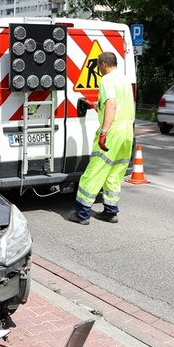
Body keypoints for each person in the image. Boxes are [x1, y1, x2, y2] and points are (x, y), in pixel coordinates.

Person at [69, 52, 135, 225]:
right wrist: (95, 106)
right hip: (127, 130)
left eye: (98, 65)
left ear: (103, 64)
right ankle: (110, 212)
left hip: (112, 131)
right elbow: (118, 106)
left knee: (94, 171)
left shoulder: (107, 80)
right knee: (115, 172)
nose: (98, 68)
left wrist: (104, 132)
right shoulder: (124, 79)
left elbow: (112, 105)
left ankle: (82, 214)